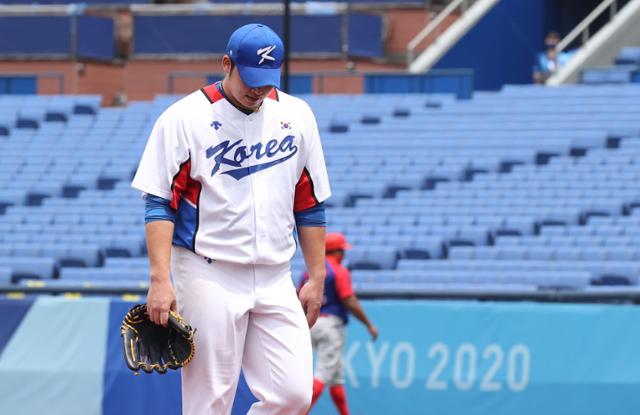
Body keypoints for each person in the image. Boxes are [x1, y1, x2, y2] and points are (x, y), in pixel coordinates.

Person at [131, 23, 331, 415]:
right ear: (226, 63)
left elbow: (309, 202)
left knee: (293, 396)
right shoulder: (184, 118)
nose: (258, 89)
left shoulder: (297, 115)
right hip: (209, 271)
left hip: (275, 273)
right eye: (251, 78)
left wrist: (317, 276)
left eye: (267, 79)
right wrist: (160, 280)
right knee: (210, 401)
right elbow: (159, 202)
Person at [300, 233, 379, 415]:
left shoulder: (309, 273)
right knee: (323, 375)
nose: (343, 254)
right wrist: (368, 324)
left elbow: (300, 299)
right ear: (337, 252)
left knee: (336, 376)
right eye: (342, 251)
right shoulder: (338, 270)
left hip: (309, 324)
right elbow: (348, 299)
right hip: (331, 327)